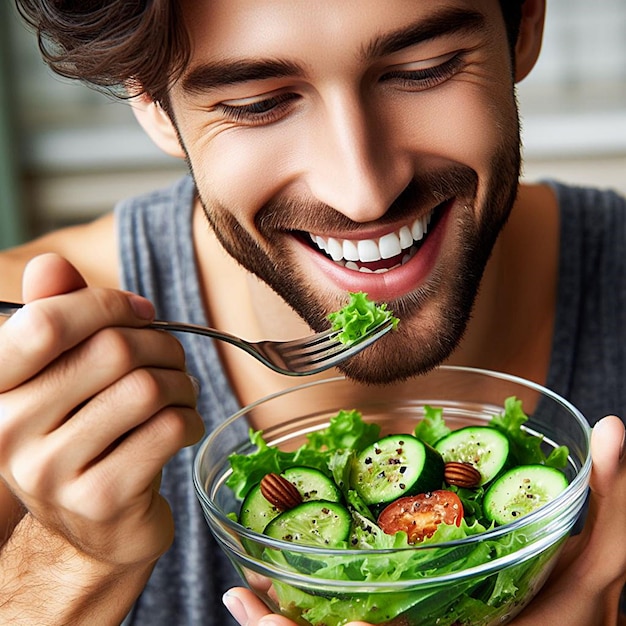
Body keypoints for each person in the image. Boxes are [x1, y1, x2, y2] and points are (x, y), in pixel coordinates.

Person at [1, 0, 625, 624]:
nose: (363, 193)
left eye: (422, 69)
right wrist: (72, 558)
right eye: (257, 105)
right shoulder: (22, 353)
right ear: (152, 103)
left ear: (526, 26)